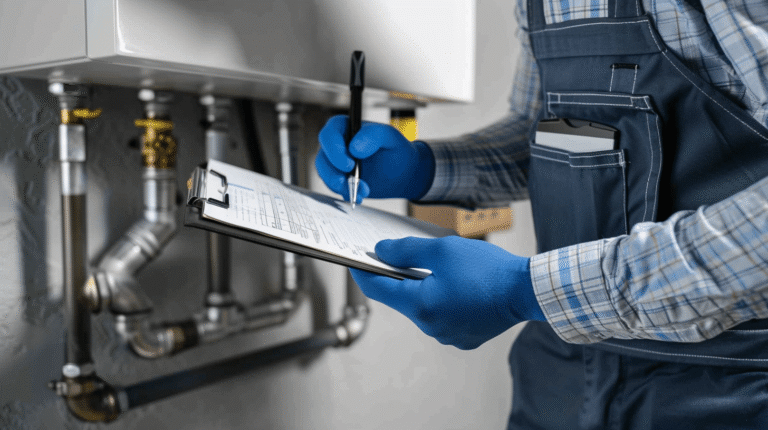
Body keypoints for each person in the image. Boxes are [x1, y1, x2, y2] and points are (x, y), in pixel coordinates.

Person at [316, 1, 768, 428]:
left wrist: (524, 291)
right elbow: (548, 134)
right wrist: (426, 168)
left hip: (725, 388)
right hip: (557, 378)